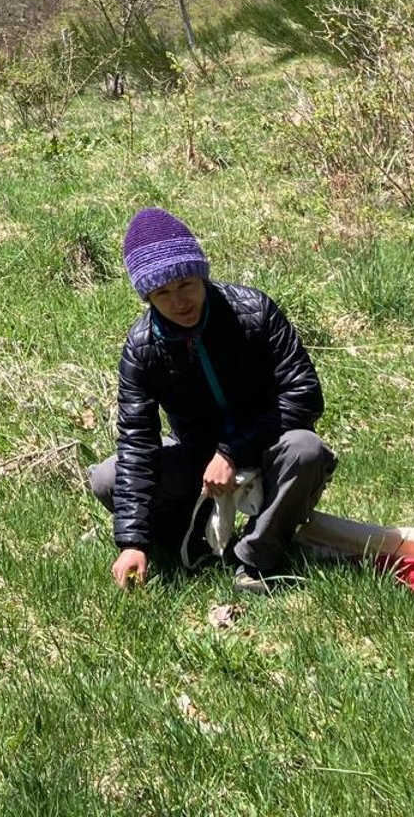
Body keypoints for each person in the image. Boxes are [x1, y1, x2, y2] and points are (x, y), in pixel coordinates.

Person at [89, 208, 335, 595]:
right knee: (107, 477)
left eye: (186, 283)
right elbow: (137, 443)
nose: (178, 301)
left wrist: (233, 451)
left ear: (201, 273)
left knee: (306, 448)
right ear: (148, 296)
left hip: (269, 448)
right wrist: (132, 542)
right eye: (162, 293)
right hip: (197, 461)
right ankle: (192, 541)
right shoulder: (142, 348)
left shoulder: (254, 312)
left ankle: (255, 558)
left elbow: (304, 394)